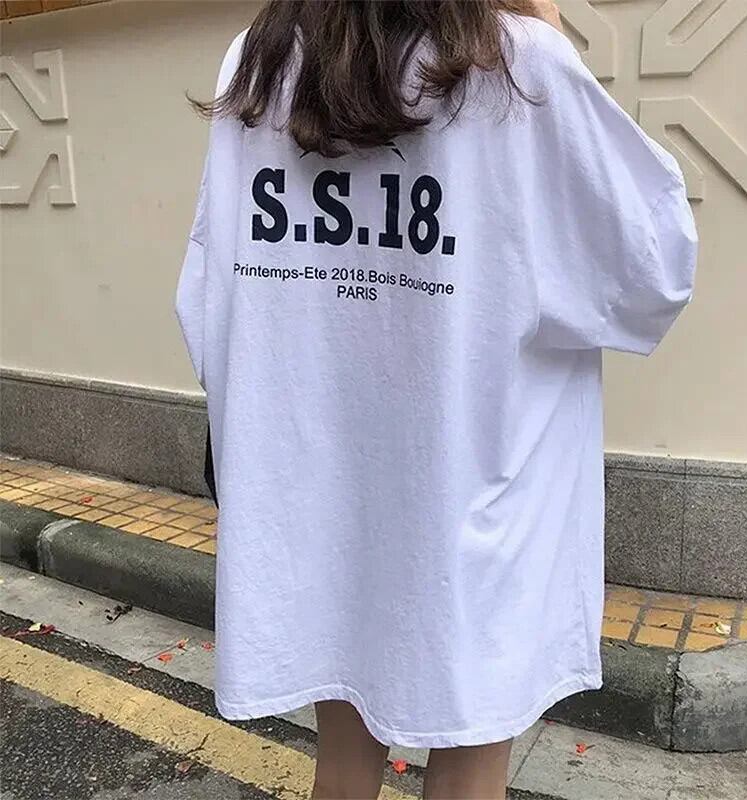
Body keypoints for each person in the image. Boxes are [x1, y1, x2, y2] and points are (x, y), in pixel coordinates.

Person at [175, 1, 697, 797]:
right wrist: (550, 27)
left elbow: (209, 285)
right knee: (471, 746)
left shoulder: (263, 56)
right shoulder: (514, 62)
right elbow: (652, 266)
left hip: (316, 484)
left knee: (342, 751)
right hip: (476, 480)